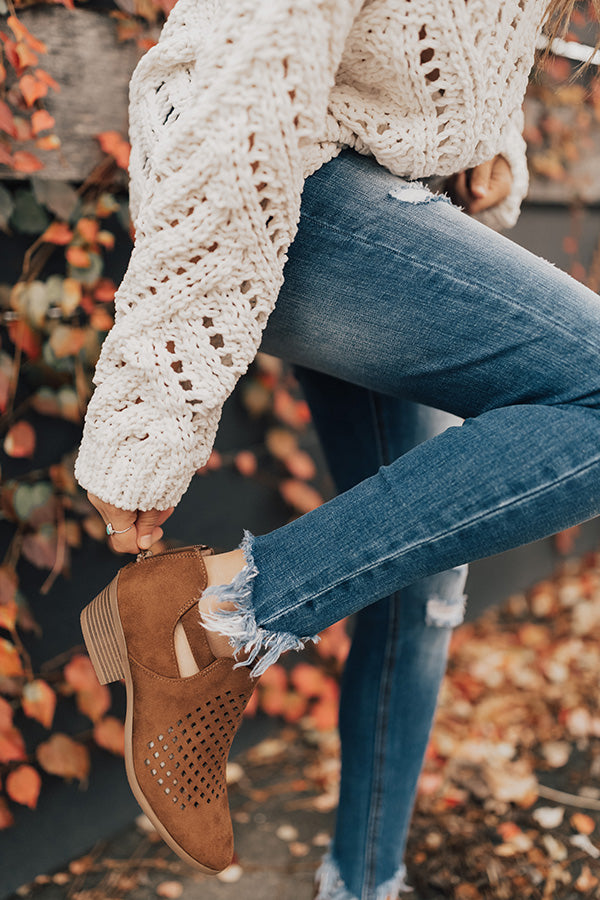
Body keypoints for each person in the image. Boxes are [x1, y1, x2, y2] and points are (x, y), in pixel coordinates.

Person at [75, 0, 600, 897]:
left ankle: (362, 885)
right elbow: (249, 86)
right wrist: (149, 409)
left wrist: (483, 139)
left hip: (377, 182)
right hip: (269, 177)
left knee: (421, 586)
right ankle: (217, 613)